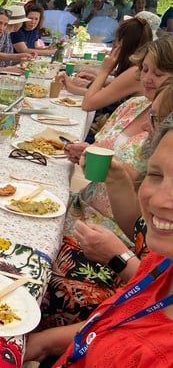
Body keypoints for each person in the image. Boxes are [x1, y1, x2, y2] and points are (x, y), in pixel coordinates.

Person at [25, 115, 173, 367]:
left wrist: (119, 258)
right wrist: (44, 342)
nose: (159, 199)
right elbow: (118, 315)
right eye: (155, 174)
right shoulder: (162, 259)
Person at [40, 78, 173, 330]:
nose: (145, 125)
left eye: (156, 119)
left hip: (115, 280)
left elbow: (145, 305)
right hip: (111, 244)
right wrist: (117, 177)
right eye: (156, 175)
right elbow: (139, 228)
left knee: (45, 280)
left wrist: (118, 258)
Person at [63, 36, 173, 244]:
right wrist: (87, 152)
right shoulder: (134, 105)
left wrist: (111, 168)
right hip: (84, 206)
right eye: (145, 70)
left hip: (117, 232)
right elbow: (106, 148)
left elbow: (158, 185)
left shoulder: (168, 127)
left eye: (158, 73)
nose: (147, 78)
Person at [0, 4, 35, 68]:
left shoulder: (8, 34)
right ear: (18, 23)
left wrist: (22, 58)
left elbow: (7, 60)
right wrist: (19, 56)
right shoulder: (2, 33)